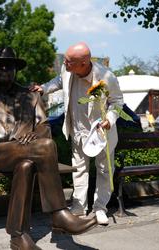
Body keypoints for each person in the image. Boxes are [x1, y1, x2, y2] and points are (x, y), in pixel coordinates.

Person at [0, 47, 97, 250]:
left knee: (26, 165)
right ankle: (58, 214)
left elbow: (44, 126)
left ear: (16, 70)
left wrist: (37, 134)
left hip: (21, 151)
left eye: (9, 66)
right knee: (46, 147)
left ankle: (18, 236)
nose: (4, 69)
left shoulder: (30, 96)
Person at [30, 42, 124, 225]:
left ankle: (100, 208)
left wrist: (110, 119)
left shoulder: (106, 77)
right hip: (77, 131)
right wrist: (43, 88)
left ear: (83, 63)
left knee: (104, 171)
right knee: (79, 169)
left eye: (68, 61)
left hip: (101, 133)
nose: (64, 63)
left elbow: (118, 103)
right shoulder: (68, 71)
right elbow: (58, 81)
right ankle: (79, 206)